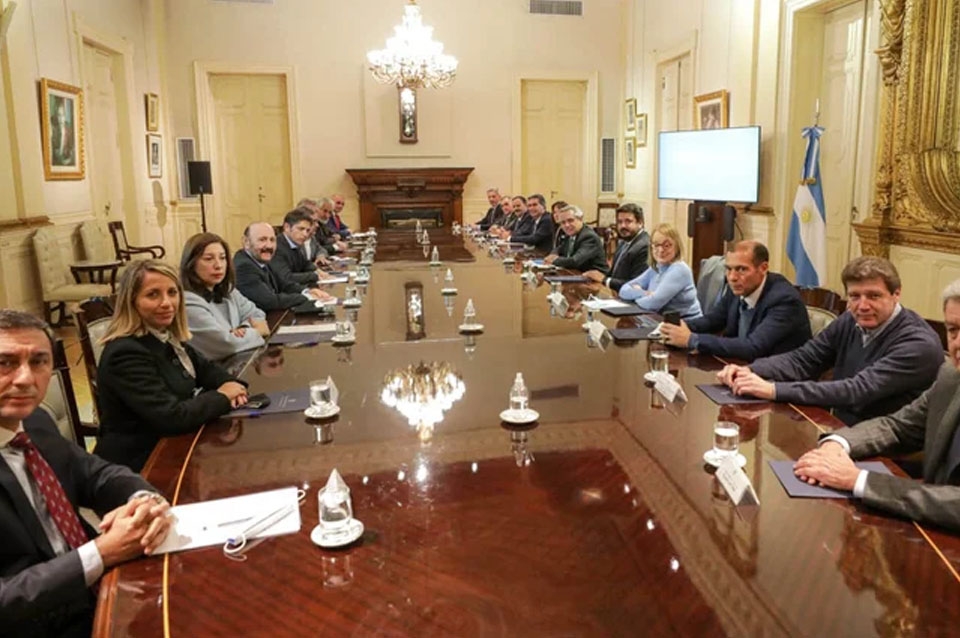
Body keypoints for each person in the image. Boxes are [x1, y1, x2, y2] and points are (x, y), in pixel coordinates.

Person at [0, 310, 171, 636]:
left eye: (38, 361)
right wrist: (101, 552)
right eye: (5, 362)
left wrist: (144, 501)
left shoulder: (35, 421)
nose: (25, 379)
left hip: (102, 593)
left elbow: (97, 474)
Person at [793, 279, 960, 532]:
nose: (957, 344)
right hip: (929, 531)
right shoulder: (951, 377)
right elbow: (897, 426)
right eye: (953, 330)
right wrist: (838, 445)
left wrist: (858, 480)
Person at [718, 256, 943, 425]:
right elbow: (804, 359)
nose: (863, 305)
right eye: (854, 296)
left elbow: (856, 390)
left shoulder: (918, 344)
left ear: (896, 294)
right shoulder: (850, 319)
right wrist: (750, 370)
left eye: (874, 296)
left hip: (887, 448)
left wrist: (772, 389)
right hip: (838, 428)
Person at [95, 260, 249, 471]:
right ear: (132, 301)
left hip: (173, 447)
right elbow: (172, 417)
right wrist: (223, 396)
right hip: (139, 465)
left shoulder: (163, 336)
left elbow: (209, 371)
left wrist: (232, 386)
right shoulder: (125, 353)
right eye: (153, 295)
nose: (167, 303)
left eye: (172, 292)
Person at [659, 241, 811, 360]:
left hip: (778, 379)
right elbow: (713, 320)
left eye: (742, 269)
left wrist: (692, 340)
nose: (732, 277)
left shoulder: (784, 300)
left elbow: (753, 347)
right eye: (728, 269)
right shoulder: (740, 287)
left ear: (763, 268)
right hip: (742, 368)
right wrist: (678, 327)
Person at [180, 232, 270, 361]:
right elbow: (226, 345)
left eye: (222, 258)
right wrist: (257, 332)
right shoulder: (187, 302)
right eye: (208, 259)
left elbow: (257, 314)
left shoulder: (228, 291)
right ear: (191, 263)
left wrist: (244, 329)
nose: (218, 265)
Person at [234, 222, 333, 313]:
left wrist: (307, 291)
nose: (269, 245)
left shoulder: (260, 258)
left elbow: (283, 284)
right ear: (246, 242)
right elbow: (269, 301)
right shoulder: (244, 266)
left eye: (272, 240)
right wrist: (306, 297)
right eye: (262, 240)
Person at [618, 223, 702, 320]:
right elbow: (623, 290)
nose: (661, 250)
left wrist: (635, 295)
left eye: (667, 245)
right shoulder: (656, 268)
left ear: (677, 246)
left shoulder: (679, 269)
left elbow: (653, 303)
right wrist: (644, 293)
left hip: (686, 324)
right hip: (661, 320)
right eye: (656, 245)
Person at [583, 203, 649, 292]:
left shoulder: (644, 246)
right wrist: (596, 276)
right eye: (620, 222)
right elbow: (614, 274)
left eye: (628, 221)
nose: (623, 226)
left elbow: (636, 285)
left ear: (640, 223)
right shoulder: (623, 242)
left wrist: (605, 280)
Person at [545, 204, 609, 273]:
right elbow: (560, 248)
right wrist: (553, 254)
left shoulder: (589, 237)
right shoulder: (570, 234)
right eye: (563, 222)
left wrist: (554, 260)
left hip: (595, 277)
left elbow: (575, 261)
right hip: (577, 273)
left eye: (570, 220)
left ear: (580, 219)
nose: (567, 225)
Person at [272, 208, 326, 287]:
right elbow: (286, 277)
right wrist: (314, 276)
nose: (305, 234)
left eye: (307, 230)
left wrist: (318, 271)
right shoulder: (277, 247)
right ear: (287, 227)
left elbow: (305, 264)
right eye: (301, 229)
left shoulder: (294, 244)